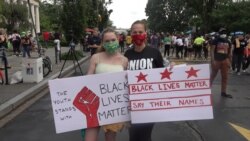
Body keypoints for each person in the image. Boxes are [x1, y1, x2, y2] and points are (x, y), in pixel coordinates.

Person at [84, 27, 128, 141]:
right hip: (94, 105)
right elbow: (86, 79)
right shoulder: (96, 57)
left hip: (113, 108)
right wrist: (61, 85)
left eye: (113, 40)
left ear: (118, 40)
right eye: (107, 41)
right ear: (102, 42)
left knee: (110, 139)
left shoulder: (124, 60)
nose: (110, 43)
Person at [124, 20, 165, 141]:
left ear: (145, 33)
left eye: (140, 31)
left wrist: (172, 68)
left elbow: (163, 75)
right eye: (135, 32)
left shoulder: (155, 52)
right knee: (133, 136)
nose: (138, 34)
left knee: (145, 136)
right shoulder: (127, 54)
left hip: (149, 103)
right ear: (131, 34)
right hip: (131, 103)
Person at [210, 28, 232, 98]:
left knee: (225, 77)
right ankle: (207, 90)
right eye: (222, 32)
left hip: (225, 60)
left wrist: (230, 62)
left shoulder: (228, 41)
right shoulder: (215, 41)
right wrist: (212, 61)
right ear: (219, 33)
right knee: (212, 76)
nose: (224, 34)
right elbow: (212, 51)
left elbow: (229, 52)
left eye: (225, 32)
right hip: (217, 60)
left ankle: (223, 92)